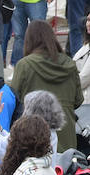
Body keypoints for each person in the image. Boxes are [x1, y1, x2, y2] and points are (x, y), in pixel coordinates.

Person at [10, 21, 82, 153]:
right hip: (66, 138)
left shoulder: (24, 65)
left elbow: (12, 99)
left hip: (34, 138)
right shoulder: (70, 65)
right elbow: (78, 101)